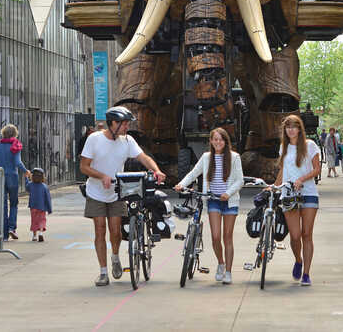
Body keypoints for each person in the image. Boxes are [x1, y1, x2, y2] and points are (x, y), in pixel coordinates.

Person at [80, 106, 165, 287]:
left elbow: (143, 157)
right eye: (124, 124)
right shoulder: (94, 139)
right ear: (113, 123)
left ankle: (115, 257)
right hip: (96, 192)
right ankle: (103, 272)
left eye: (127, 123)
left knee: (116, 231)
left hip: (117, 191)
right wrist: (102, 176)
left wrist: (156, 170)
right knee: (100, 229)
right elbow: (84, 167)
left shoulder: (127, 140)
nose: (127, 127)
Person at [175, 127, 243, 285]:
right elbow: (194, 173)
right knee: (215, 236)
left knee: (227, 237)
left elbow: (240, 181)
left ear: (225, 142)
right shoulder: (206, 157)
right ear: (211, 141)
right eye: (215, 139)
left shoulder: (234, 157)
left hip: (229, 201)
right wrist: (181, 184)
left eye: (221, 139)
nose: (218, 142)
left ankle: (228, 272)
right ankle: (221, 263)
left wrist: (228, 192)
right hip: (213, 200)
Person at [273, 114, 321, 287]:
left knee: (307, 234)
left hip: (308, 193)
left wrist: (301, 179)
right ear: (285, 130)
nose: (291, 130)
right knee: (295, 236)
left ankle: (306, 274)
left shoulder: (310, 146)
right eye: (288, 127)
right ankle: (298, 260)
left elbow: (317, 169)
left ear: (300, 129)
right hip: (288, 195)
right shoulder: (283, 148)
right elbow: (282, 171)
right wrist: (273, 186)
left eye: (294, 126)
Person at [0, 124, 31, 241]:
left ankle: (4, 234)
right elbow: (18, 162)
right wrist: (26, 171)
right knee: (13, 204)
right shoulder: (15, 145)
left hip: (0, 177)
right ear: (14, 134)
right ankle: (12, 227)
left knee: (3, 205)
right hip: (12, 176)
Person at [26, 167, 52, 242]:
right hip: (42, 207)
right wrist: (49, 209)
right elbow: (48, 198)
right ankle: (40, 233)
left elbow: (27, 188)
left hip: (33, 206)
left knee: (34, 220)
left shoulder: (31, 185)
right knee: (42, 220)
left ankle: (34, 236)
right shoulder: (44, 187)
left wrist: (27, 179)